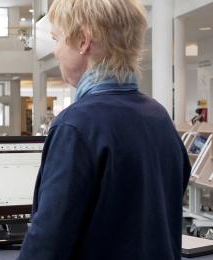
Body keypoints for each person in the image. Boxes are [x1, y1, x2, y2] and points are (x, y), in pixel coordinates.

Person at [18, 0, 191, 259]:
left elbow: (46, 245)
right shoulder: (159, 117)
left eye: (58, 39)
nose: (55, 52)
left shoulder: (76, 125)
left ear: (83, 41)